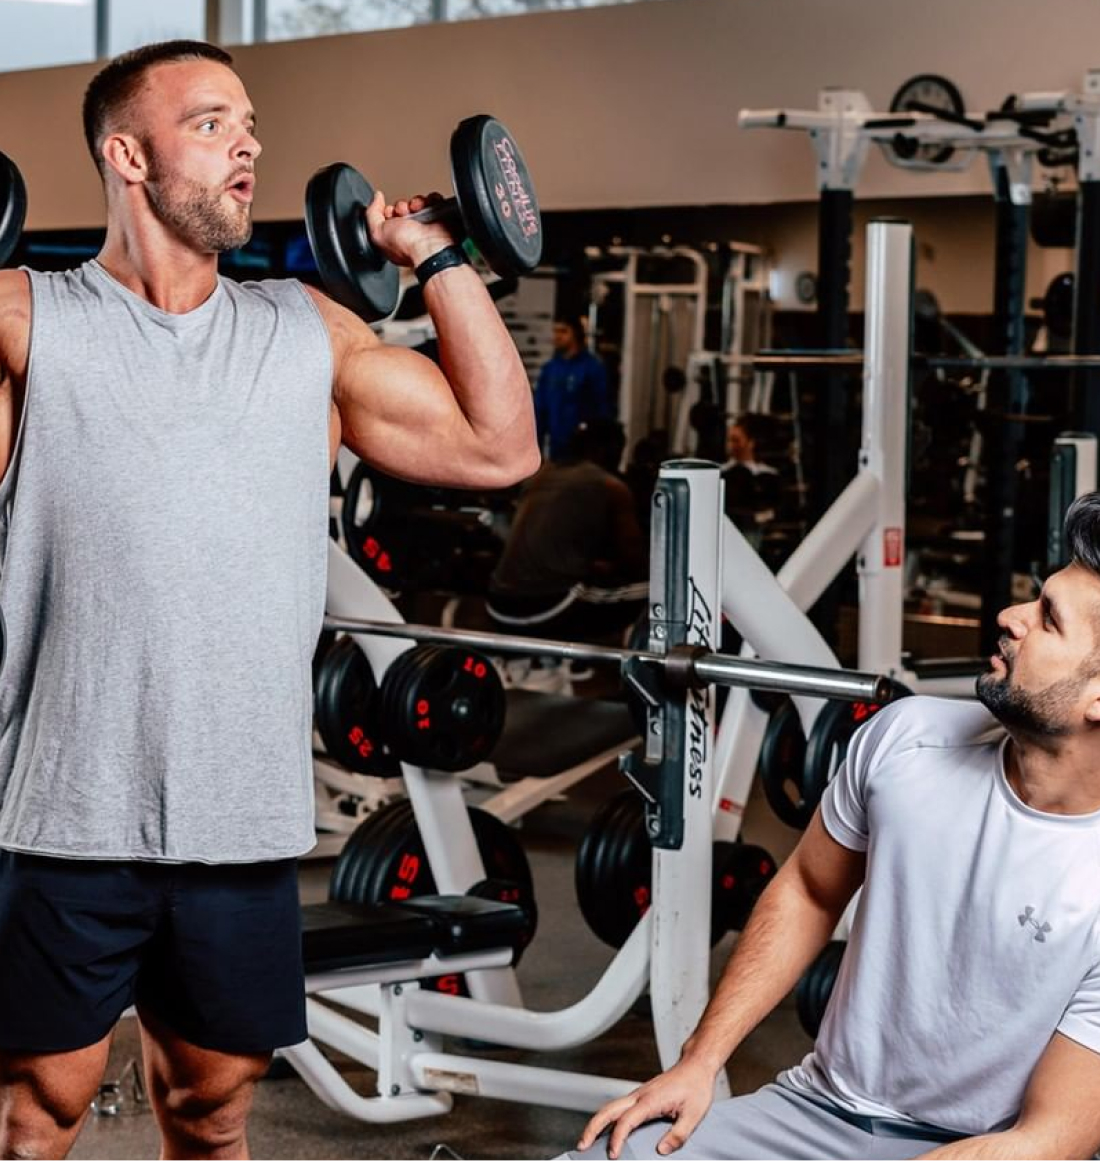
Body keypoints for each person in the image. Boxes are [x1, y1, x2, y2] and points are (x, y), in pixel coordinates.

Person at [0, 40, 538, 1160]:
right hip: (61, 813)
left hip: (238, 821)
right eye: (209, 122)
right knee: (36, 1117)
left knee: (213, 1114)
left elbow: (500, 447)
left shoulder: (306, 330)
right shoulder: (28, 319)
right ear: (126, 156)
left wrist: (436, 253)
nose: (247, 142)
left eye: (248, 122)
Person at [570, 488, 1100, 1160]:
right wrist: (698, 1061)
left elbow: (1044, 1139)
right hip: (813, 1109)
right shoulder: (907, 736)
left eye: (1047, 620)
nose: (1009, 616)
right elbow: (808, 889)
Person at [487, 418, 648, 642]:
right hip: (549, 608)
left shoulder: (539, 475)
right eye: (619, 449)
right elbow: (634, 559)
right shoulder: (611, 486)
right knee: (655, 593)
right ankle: (600, 661)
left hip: (497, 606)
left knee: (597, 582)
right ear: (605, 449)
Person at [534, 314, 611, 460]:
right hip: (555, 448)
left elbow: (601, 408)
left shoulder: (592, 368)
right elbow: (540, 410)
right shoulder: (550, 369)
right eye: (555, 331)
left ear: (575, 333)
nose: (557, 336)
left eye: (563, 331)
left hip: (584, 449)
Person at [721, 412, 779, 517]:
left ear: (751, 442)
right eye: (729, 440)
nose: (730, 445)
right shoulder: (723, 473)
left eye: (736, 440)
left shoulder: (769, 475)